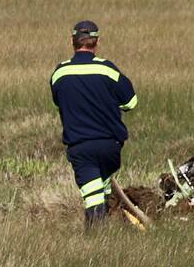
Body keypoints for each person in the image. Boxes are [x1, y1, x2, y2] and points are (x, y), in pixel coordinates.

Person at [49, 20, 139, 225]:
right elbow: (131, 102)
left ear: (72, 41)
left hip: (81, 147)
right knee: (101, 189)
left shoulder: (60, 73)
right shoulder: (107, 69)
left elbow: (58, 102)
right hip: (111, 147)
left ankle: (96, 240)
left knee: (93, 199)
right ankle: (109, 229)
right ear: (96, 42)